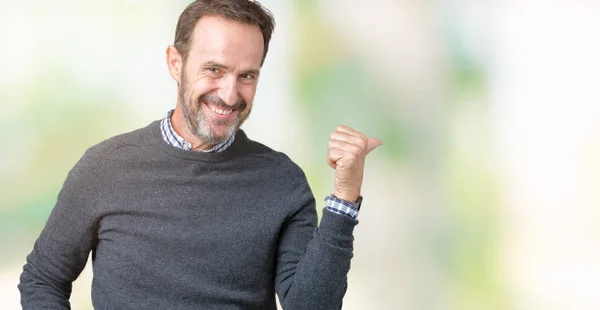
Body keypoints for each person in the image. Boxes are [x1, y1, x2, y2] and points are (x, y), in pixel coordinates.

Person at [18, 1, 382, 309]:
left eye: (247, 76)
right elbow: (43, 280)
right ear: (176, 63)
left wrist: (345, 195)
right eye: (214, 70)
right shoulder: (104, 167)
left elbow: (310, 306)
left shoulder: (283, 181)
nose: (229, 94)